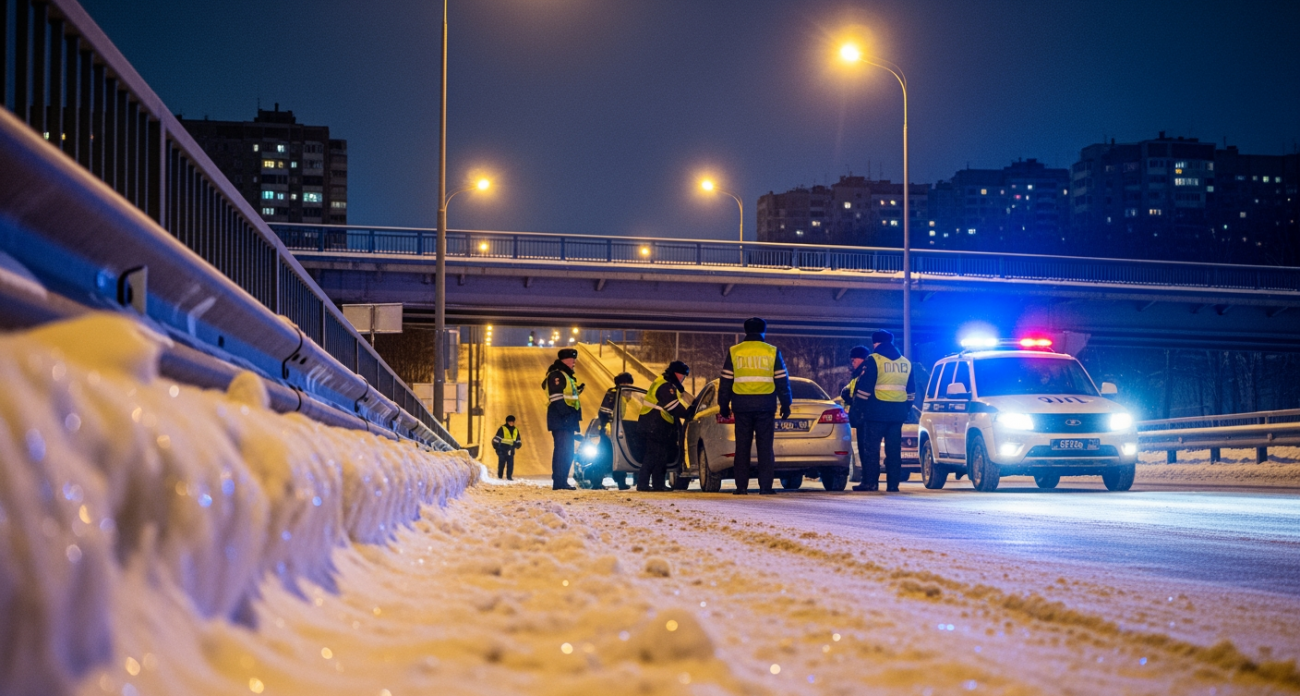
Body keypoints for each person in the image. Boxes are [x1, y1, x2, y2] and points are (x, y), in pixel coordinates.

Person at [718, 317, 792, 495]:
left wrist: (723, 405)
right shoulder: (772, 351)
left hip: (741, 405)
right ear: (763, 331)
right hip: (765, 405)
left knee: (742, 447)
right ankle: (765, 487)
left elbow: (726, 381)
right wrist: (786, 403)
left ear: (745, 331)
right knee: (765, 447)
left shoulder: (735, 351)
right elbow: (782, 380)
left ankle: (741, 487)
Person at [850, 330, 915, 493]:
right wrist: (905, 409)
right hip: (898, 413)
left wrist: (859, 408)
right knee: (893, 450)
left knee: (872, 450)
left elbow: (865, 389)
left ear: (875, 344)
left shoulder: (874, 360)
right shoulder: (905, 362)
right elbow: (911, 392)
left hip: (876, 412)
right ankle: (893, 485)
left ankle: (871, 483)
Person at [637, 361, 691, 492]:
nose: (683, 379)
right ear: (678, 374)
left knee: (660, 456)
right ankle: (643, 484)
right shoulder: (666, 386)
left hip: (656, 424)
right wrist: (689, 413)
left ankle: (658, 484)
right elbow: (673, 406)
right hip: (654, 423)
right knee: (653, 455)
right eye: (683, 376)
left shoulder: (668, 383)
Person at [543, 348, 584, 491]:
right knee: (563, 451)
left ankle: (562, 481)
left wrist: (577, 390)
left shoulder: (566, 376)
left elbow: (566, 396)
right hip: (561, 421)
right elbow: (556, 398)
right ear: (565, 360)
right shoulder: (557, 375)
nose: (574, 362)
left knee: (567, 451)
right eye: (572, 359)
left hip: (567, 421)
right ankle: (559, 482)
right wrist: (566, 415)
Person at [599, 372, 638, 490]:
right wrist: (608, 426)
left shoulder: (624, 396)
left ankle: (621, 482)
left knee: (618, 457)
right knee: (607, 457)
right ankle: (596, 481)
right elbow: (604, 412)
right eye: (627, 384)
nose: (629, 388)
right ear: (621, 384)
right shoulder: (613, 394)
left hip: (616, 430)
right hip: (609, 430)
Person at [491, 415, 522, 480]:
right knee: (502, 463)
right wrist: (497, 448)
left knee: (510, 464)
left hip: (511, 450)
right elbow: (497, 439)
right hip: (502, 449)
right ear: (507, 422)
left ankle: (509, 476)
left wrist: (518, 444)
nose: (511, 423)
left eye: (512, 422)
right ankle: (500, 476)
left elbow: (518, 439)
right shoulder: (502, 429)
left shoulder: (516, 430)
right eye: (510, 422)